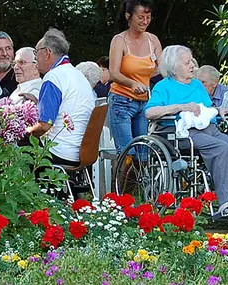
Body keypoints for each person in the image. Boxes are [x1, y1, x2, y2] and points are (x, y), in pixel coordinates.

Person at [145, 45, 228, 219]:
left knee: (223, 143)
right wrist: (180, 107)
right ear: (174, 67)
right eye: (187, 62)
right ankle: (225, 203)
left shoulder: (197, 85)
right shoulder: (163, 87)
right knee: (221, 148)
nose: (193, 65)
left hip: (208, 128)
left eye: (192, 61)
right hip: (180, 133)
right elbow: (149, 112)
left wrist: (218, 109)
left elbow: (206, 108)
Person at [27, 28, 95, 166]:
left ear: (47, 53)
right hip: (85, 152)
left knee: (16, 145)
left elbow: (44, 126)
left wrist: (23, 131)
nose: (35, 59)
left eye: (36, 52)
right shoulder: (77, 74)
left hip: (59, 152)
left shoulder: (52, 77)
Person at [108, 0, 162, 154]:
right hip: (121, 101)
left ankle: (139, 179)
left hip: (144, 102)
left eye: (148, 17)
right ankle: (121, 179)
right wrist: (132, 83)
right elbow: (113, 73)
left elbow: (164, 68)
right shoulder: (119, 41)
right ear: (128, 16)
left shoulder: (153, 41)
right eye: (140, 17)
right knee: (127, 152)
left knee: (144, 153)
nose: (145, 21)